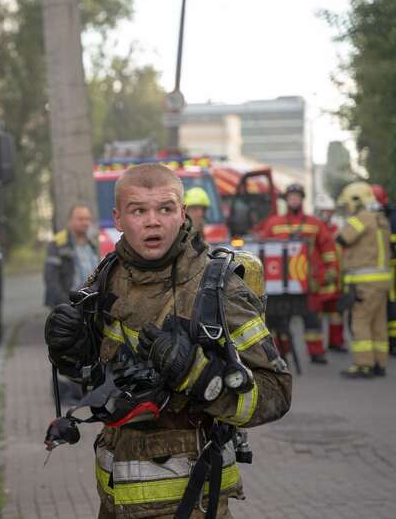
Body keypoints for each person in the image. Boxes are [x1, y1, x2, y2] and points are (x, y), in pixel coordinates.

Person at [45, 164, 291, 518]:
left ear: (182, 213)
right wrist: (71, 353)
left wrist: (200, 377)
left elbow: (277, 393)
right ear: (118, 218)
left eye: (165, 208)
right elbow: (98, 377)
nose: (153, 222)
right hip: (114, 501)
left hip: (192, 504)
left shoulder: (215, 289)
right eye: (138, 211)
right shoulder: (106, 277)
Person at [256, 184, 339, 364]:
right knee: (280, 320)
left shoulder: (314, 223)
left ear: (302, 199)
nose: (294, 200)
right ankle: (281, 353)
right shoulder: (274, 223)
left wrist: (331, 269)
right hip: (281, 283)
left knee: (312, 318)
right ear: (286, 200)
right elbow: (264, 249)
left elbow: (327, 248)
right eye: (291, 197)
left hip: (308, 280)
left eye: (297, 197)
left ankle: (316, 352)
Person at [337, 182, 393, 378]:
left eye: (348, 203)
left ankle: (364, 365)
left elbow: (342, 238)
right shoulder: (381, 219)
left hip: (365, 282)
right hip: (382, 281)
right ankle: (379, 363)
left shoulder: (362, 217)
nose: (348, 208)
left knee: (360, 321)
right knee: (378, 323)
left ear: (356, 200)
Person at [43, 204, 100, 307]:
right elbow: (51, 280)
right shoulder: (58, 243)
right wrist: (65, 305)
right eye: (80, 219)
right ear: (70, 221)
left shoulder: (93, 245)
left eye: (87, 219)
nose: (85, 222)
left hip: (90, 303)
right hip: (69, 304)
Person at [314, 194, 346, 352]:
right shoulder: (314, 230)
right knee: (317, 315)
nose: (327, 214)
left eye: (329, 211)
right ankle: (317, 348)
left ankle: (336, 342)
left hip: (336, 278)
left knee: (336, 313)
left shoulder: (336, 230)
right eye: (324, 211)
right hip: (319, 279)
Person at [370, 184, 396, 356]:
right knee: (387, 307)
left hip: (389, 269)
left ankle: (392, 342)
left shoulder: (391, 218)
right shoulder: (388, 215)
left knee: (391, 306)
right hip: (384, 270)